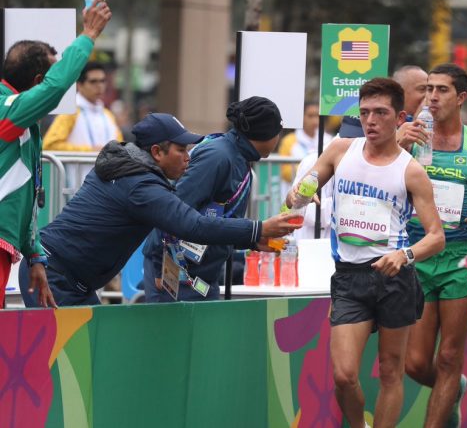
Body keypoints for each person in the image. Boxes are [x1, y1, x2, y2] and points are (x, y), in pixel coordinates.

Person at [290, 77, 444, 428]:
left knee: (391, 372)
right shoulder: (340, 151)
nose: (371, 120)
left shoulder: (411, 170)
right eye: (364, 113)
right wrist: (299, 194)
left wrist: (404, 256)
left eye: (380, 112)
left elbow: (436, 237)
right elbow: (297, 196)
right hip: (349, 276)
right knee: (344, 375)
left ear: (400, 117)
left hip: (393, 277)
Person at [27, 113, 299, 307]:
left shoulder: (129, 170)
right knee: (62, 375)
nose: (188, 157)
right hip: (52, 276)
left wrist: (252, 237)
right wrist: (257, 229)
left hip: (68, 278)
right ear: (157, 152)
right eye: (181, 150)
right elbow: (193, 225)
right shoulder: (141, 186)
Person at [398, 63, 467, 427]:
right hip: (419, 252)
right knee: (415, 362)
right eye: (428, 89)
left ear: (460, 98)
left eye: (441, 90)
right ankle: (453, 388)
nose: (431, 97)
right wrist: (398, 142)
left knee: (448, 356)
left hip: (462, 257)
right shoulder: (410, 136)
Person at [0, 0, 112, 308]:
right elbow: (54, 88)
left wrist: (35, 256)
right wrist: (88, 34)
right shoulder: (6, 111)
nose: (64, 87)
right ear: (38, 82)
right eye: (55, 77)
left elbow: (28, 192)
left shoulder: (22, 122)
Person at [142, 97, 285, 302]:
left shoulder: (237, 156)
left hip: (202, 275)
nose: (278, 138)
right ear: (265, 134)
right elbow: (170, 212)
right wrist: (159, 269)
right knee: (174, 334)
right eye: (278, 133)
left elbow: (215, 218)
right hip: (175, 272)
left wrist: (252, 239)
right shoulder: (218, 156)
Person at [290, 116, 365, 241]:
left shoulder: (370, 162)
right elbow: (297, 209)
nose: (351, 143)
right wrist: (351, 206)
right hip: (313, 244)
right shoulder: (314, 160)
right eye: (348, 136)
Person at [42, 62, 123, 152]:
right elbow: (50, 145)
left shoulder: (108, 115)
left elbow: (120, 148)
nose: (99, 86)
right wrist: (89, 151)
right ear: (79, 85)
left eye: (102, 81)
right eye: (93, 81)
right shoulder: (71, 112)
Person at [278, 101, 333, 196]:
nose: (315, 120)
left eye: (317, 116)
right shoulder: (288, 141)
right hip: (294, 194)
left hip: (321, 194)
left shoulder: (329, 140)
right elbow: (286, 172)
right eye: (310, 116)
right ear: (302, 117)